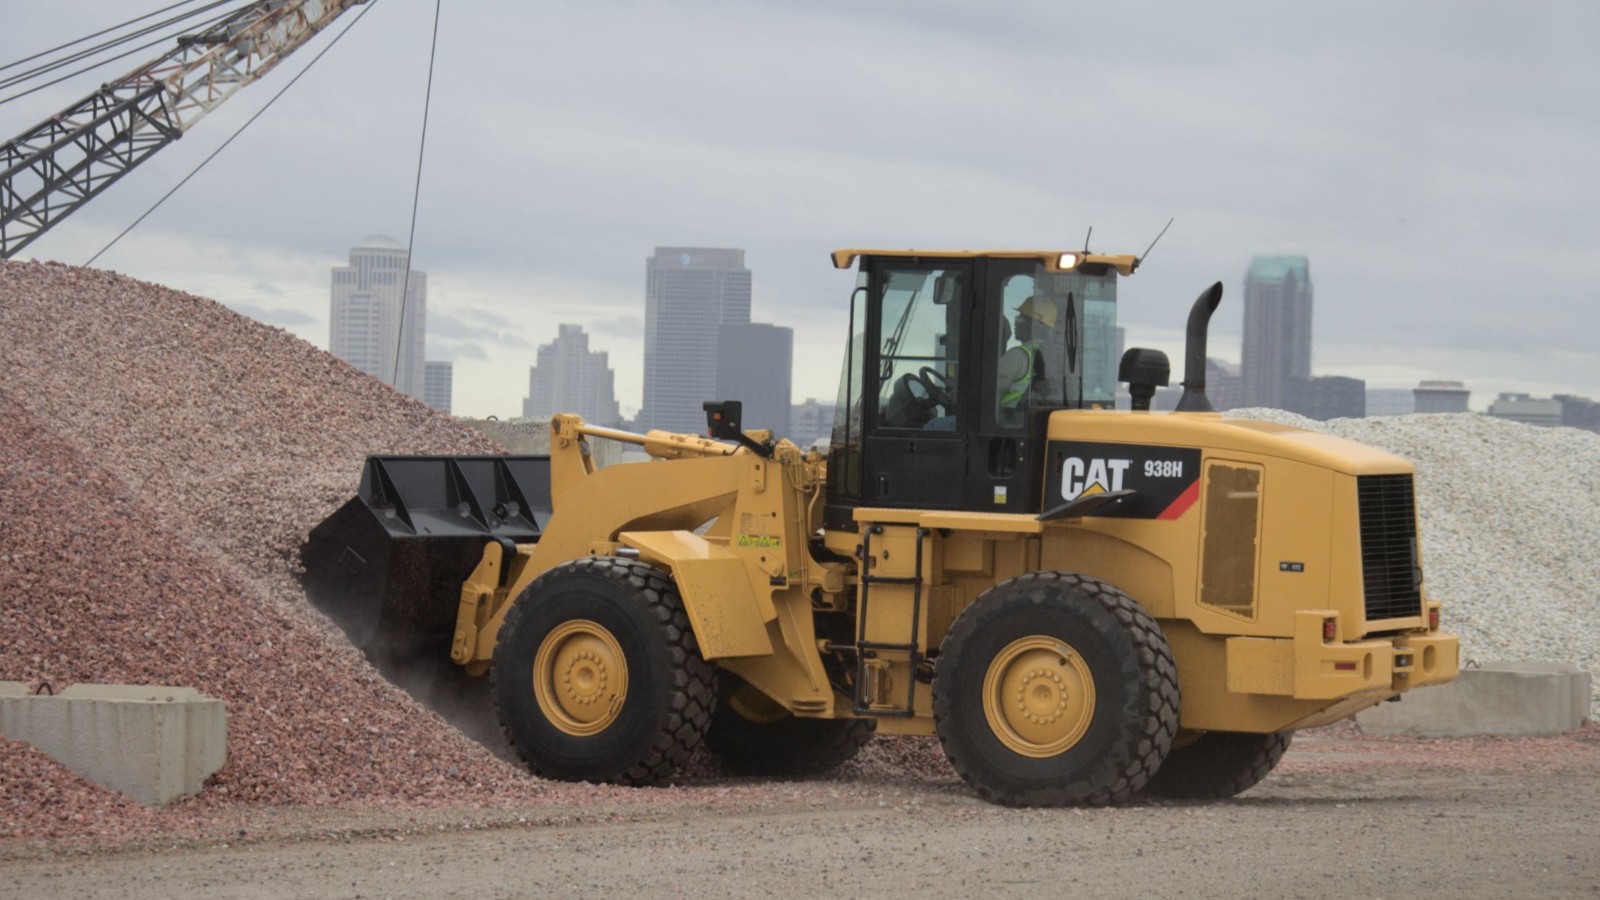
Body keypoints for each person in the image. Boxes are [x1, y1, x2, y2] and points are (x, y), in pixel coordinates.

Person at [998, 295, 1056, 411]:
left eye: (1020, 319)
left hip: (1008, 418)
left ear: (1035, 325)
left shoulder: (1017, 355)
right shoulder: (1051, 356)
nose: (1015, 323)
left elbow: (990, 392)